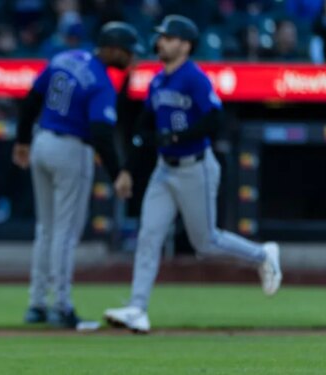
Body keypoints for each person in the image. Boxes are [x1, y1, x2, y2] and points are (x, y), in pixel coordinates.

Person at [103, 15, 282, 334]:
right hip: (164, 171)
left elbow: (215, 121)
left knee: (206, 243)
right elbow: (144, 128)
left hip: (194, 167)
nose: (161, 43)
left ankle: (262, 255)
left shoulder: (194, 78)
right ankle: (137, 308)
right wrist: (129, 169)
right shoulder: (158, 81)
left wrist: (175, 138)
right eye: (161, 38)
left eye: (168, 38)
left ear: (185, 45)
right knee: (148, 236)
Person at [12, 22, 144, 330]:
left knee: (45, 228)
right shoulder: (100, 80)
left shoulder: (65, 58)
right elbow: (101, 132)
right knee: (65, 233)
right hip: (71, 149)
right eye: (127, 52)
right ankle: (61, 306)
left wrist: (22, 140)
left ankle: (36, 304)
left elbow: (32, 98)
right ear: (112, 49)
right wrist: (118, 173)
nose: (131, 57)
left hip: (42, 140)